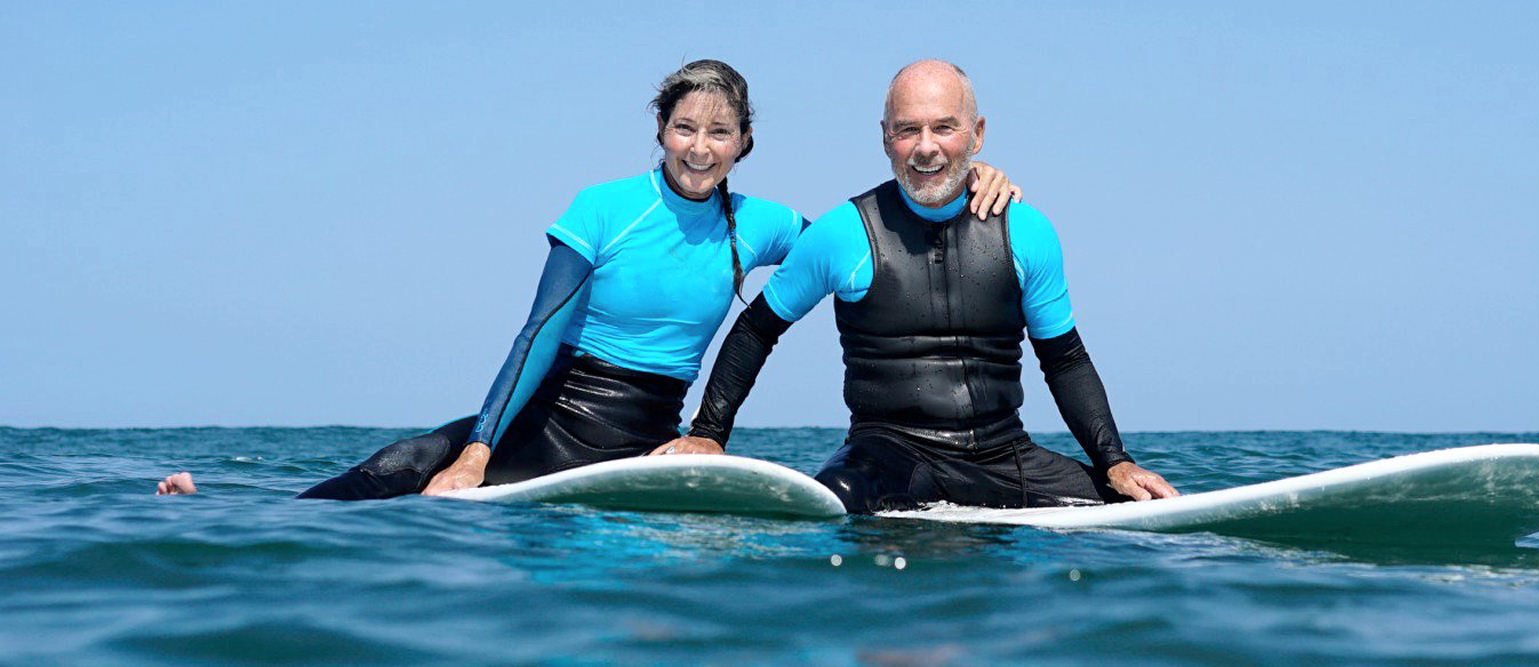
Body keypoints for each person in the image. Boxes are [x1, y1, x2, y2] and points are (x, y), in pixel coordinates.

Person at [156, 59, 1024, 498]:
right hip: (553, 421)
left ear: (743, 143)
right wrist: (477, 451)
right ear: (660, 127)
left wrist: (979, 184)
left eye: (720, 134)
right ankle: (236, 506)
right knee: (402, 464)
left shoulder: (757, 223)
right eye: (685, 127)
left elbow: (866, 240)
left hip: (648, 436)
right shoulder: (606, 210)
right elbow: (535, 332)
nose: (699, 148)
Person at [657, 60, 1178, 513]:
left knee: (1133, 505)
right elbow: (756, 330)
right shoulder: (844, 233)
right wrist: (708, 434)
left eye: (944, 128)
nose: (925, 148)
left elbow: (1064, 358)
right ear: (885, 136)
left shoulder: (1026, 231)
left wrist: (1115, 461)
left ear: (977, 134)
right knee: (832, 496)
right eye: (908, 130)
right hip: (889, 455)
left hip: (1003, 457)